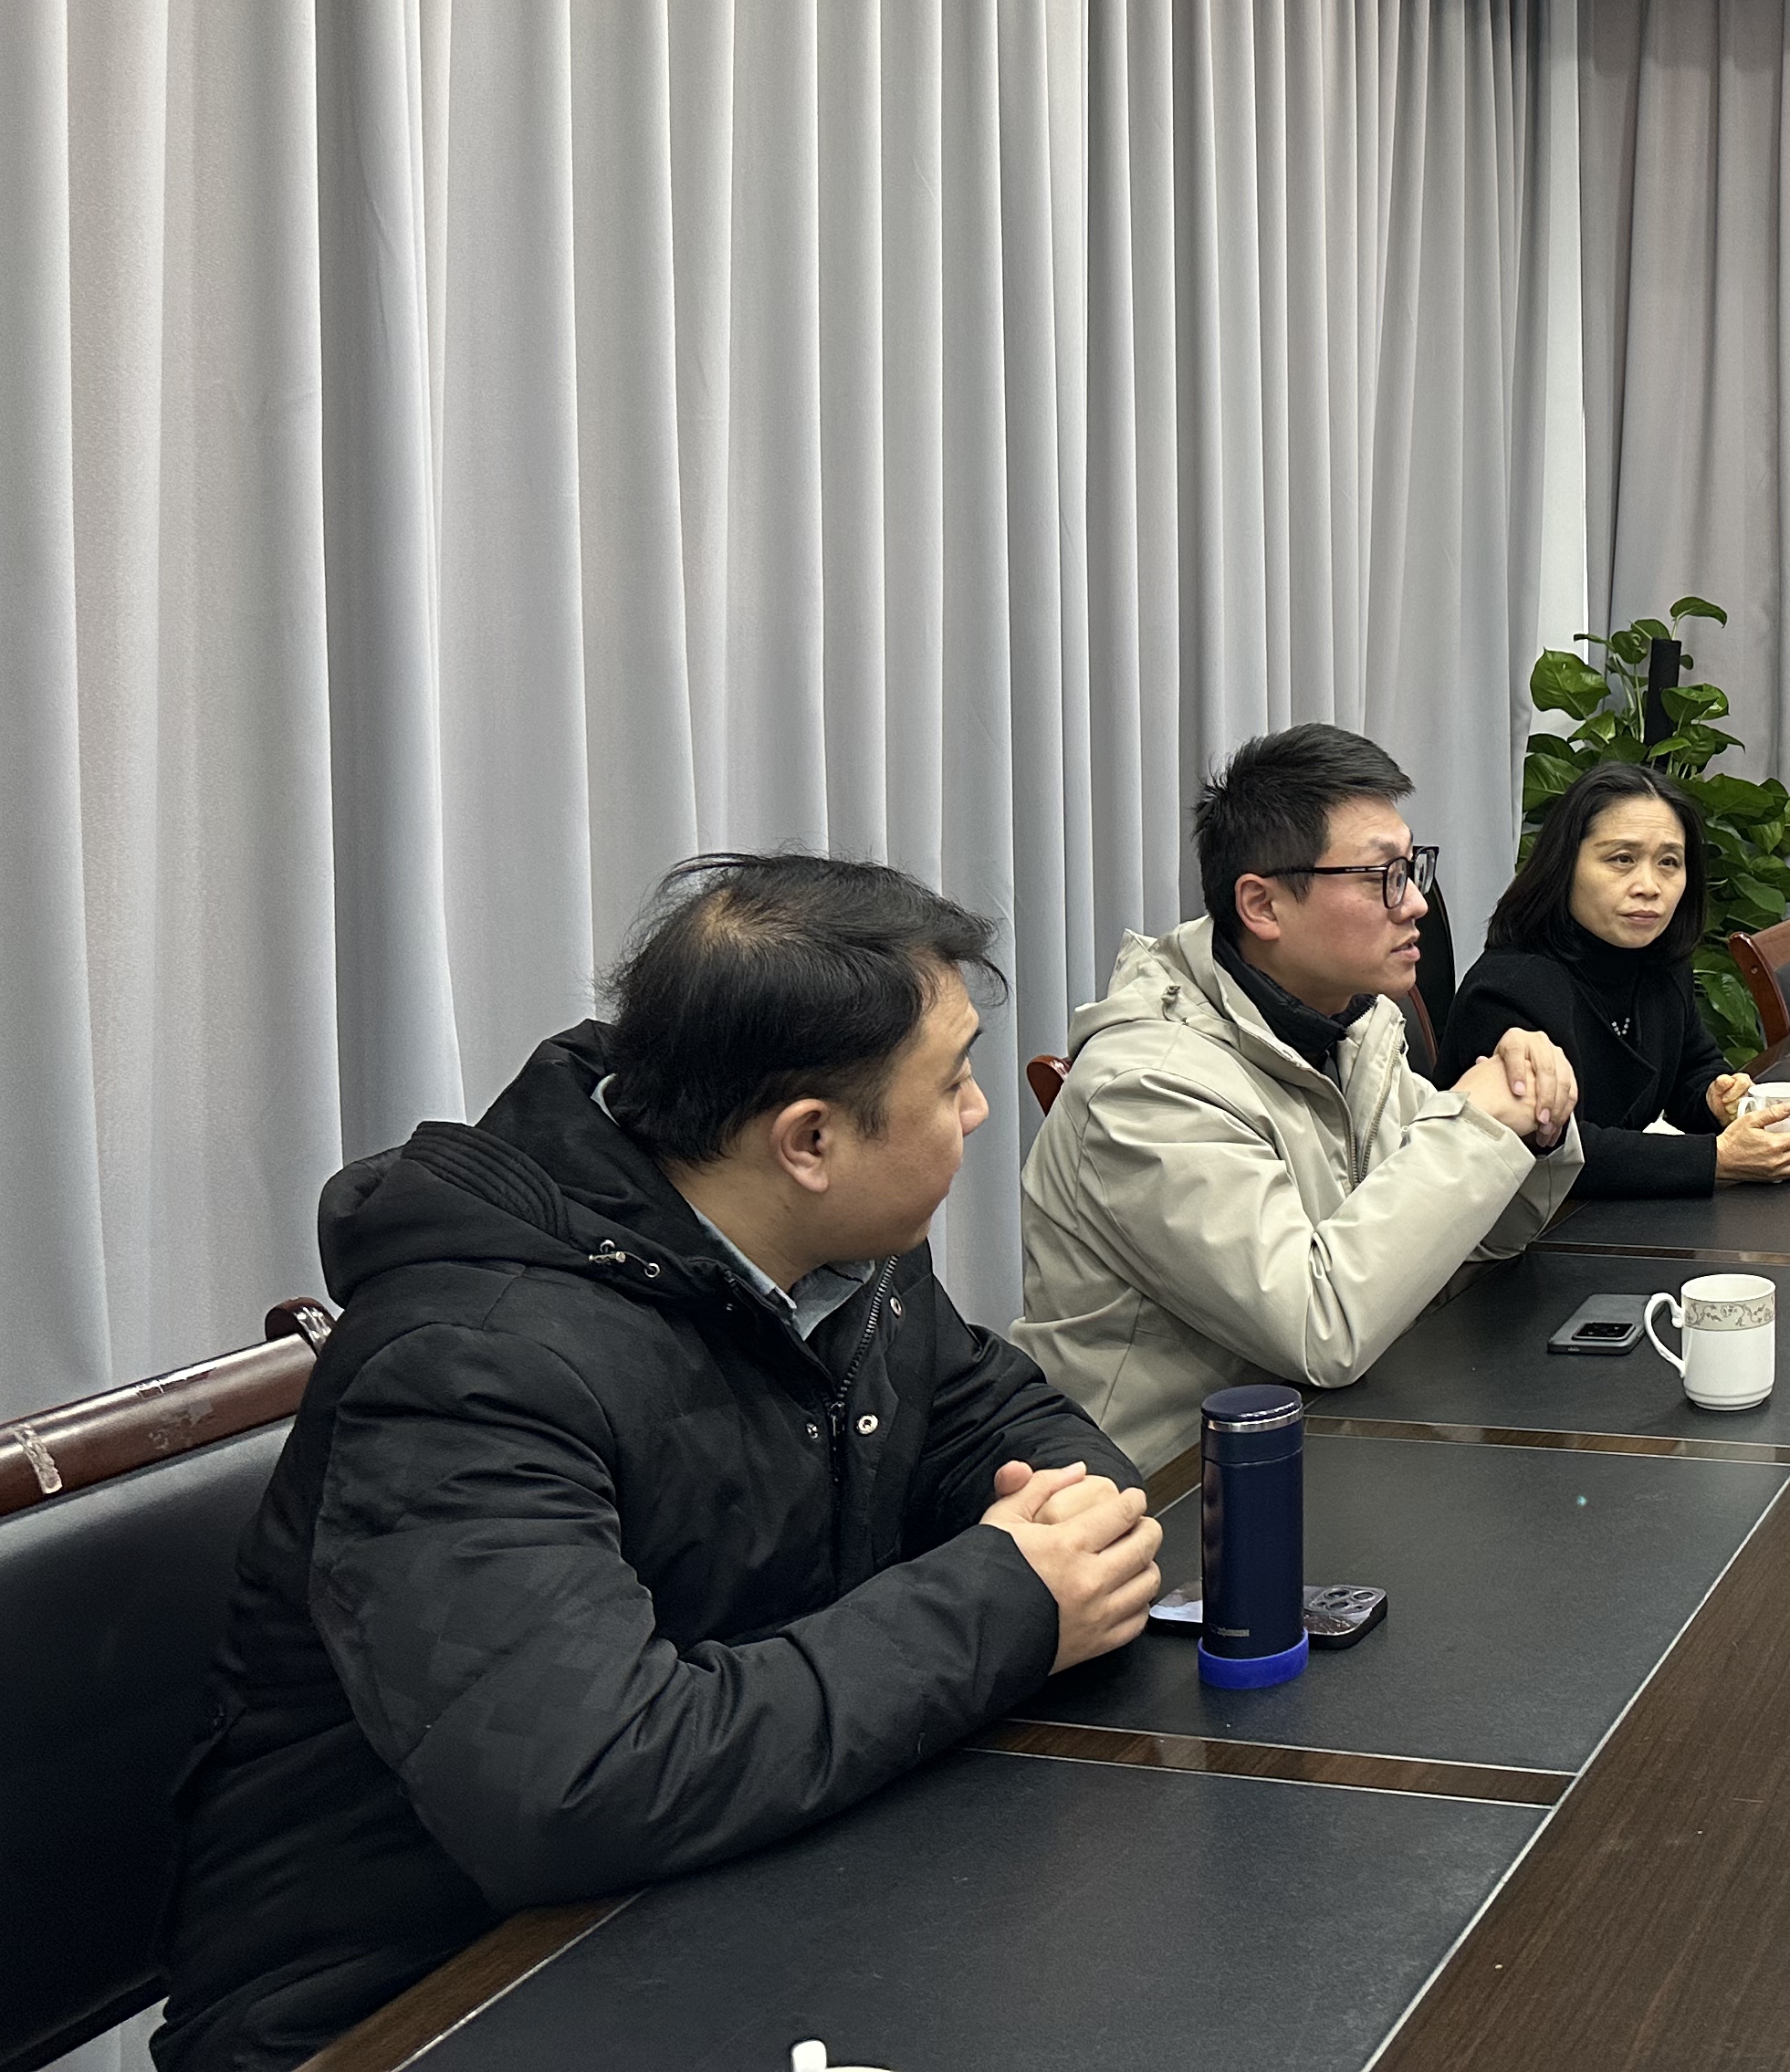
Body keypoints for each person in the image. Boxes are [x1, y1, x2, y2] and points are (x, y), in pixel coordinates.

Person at [158, 856, 1159, 2072]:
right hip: (411, 1997)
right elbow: (577, 1785)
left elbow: (1003, 1418)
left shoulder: (841, 1249)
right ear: (809, 1140)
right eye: (951, 1082)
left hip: (727, 1891)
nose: (980, 1111)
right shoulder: (469, 1369)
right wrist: (1006, 1599)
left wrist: (1067, 1524)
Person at [1016, 723, 1584, 1468]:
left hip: (1343, 1439)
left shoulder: (1351, 1022)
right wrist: (1475, 1128)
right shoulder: (1146, 1087)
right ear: (1262, 905)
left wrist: (1532, 1124)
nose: (1416, 903)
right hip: (1177, 1492)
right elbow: (1321, 1328)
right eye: (1382, 876)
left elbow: (1481, 1239)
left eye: (1413, 867)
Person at [1441, 761, 1790, 1196]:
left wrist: (1715, 1099)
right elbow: (1550, 1151)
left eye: (1669, 862)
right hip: (1526, 1226)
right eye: (1622, 859)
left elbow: (1693, 1068)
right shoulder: (1508, 988)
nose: (1649, 886)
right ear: (1565, 865)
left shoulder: (1657, 961)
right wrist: (1715, 1159)